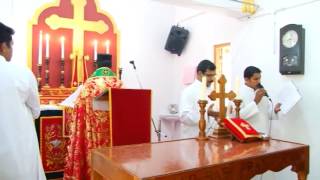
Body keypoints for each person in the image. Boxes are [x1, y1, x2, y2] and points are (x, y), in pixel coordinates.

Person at [63, 54, 122, 180]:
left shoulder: (90, 84)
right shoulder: (119, 84)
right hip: (115, 133)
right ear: (110, 65)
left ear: (96, 65)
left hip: (95, 133)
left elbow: (79, 109)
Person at [0, 22, 45, 179]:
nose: (11, 51)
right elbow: (36, 111)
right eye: (11, 45)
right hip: (17, 152)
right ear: (2, 47)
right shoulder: (21, 73)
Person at [231, 66, 281, 137]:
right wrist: (255, 102)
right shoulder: (238, 94)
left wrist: (274, 111)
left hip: (263, 133)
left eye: (260, 78)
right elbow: (238, 117)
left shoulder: (260, 91)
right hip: (248, 134)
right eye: (255, 79)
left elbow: (265, 113)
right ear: (246, 79)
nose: (259, 81)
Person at [179, 59, 217, 139]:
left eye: (213, 75)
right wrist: (206, 113)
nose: (212, 78)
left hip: (210, 137)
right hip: (193, 138)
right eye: (209, 75)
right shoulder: (188, 91)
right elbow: (184, 117)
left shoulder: (212, 91)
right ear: (199, 73)